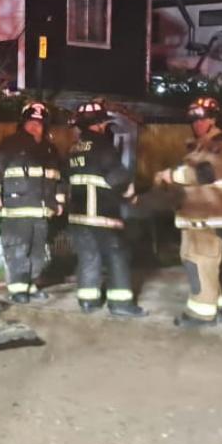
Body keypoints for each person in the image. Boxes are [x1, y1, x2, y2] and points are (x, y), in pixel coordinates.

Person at [154, 96, 222, 327]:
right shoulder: (200, 147)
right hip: (196, 219)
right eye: (193, 119)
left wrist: (171, 175)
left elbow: (205, 174)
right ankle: (213, 304)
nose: (197, 123)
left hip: (207, 220)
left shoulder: (220, 145)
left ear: (214, 119)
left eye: (202, 119)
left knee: (200, 264)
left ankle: (202, 313)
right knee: (199, 264)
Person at [66, 100, 146, 317]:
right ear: (100, 124)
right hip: (102, 214)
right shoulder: (103, 145)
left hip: (78, 215)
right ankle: (121, 304)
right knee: (116, 255)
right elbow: (117, 176)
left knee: (88, 256)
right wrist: (130, 193)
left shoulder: (74, 148)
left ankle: (88, 301)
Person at [0, 101, 65, 303]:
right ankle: (18, 290)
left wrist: (59, 200)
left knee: (37, 252)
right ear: (23, 123)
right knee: (18, 249)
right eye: (31, 123)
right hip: (16, 209)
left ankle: (30, 286)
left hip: (41, 211)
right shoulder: (9, 145)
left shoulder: (49, 150)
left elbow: (59, 177)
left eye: (39, 124)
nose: (35, 127)